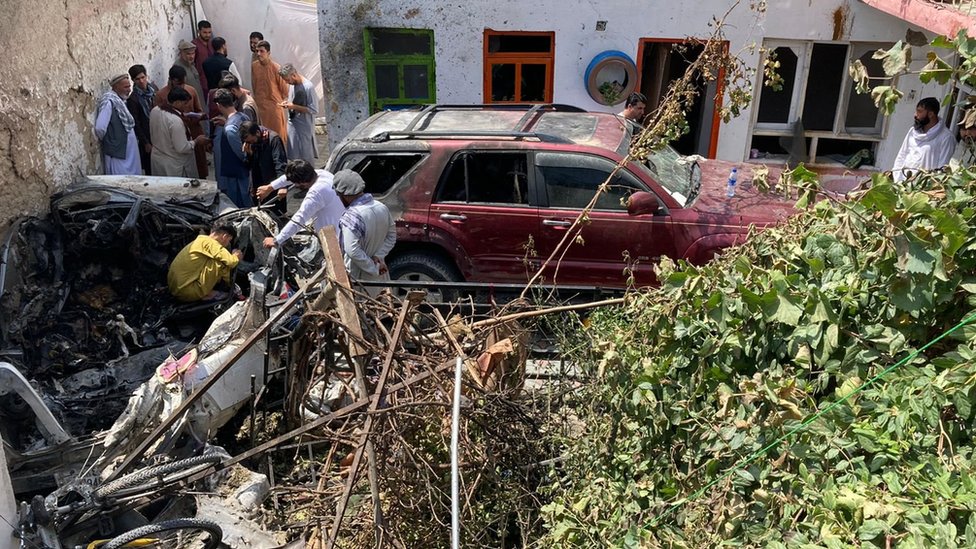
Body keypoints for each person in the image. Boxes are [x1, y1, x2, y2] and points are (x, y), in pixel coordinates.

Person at [257, 160, 345, 249]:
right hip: (340, 229)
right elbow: (287, 178)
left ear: (302, 183)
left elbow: (300, 218)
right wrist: (270, 187)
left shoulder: (317, 192)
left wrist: (277, 240)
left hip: (334, 241)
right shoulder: (322, 174)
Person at [334, 170, 396, 294]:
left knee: (362, 306)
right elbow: (392, 236)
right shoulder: (381, 207)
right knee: (381, 304)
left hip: (359, 278)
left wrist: (373, 268)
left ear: (344, 194)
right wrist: (379, 256)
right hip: (380, 275)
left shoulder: (352, 216)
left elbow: (352, 250)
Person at [156, 65, 208, 178]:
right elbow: (160, 118)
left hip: (193, 130)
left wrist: (197, 116)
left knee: (199, 164)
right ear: (171, 80)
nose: (181, 87)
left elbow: (199, 110)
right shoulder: (161, 95)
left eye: (183, 83)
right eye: (178, 84)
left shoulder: (191, 90)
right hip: (173, 136)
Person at [167, 225, 243, 302]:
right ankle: (220, 291)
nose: (228, 244)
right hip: (187, 292)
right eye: (229, 240)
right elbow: (231, 261)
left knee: (215, 259)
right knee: (220, 263)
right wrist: (236, 255)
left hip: (175, 288)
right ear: (225, 236)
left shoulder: (200, 241)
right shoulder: (211, 243)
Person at [892, 97, 955, 182]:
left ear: (931, 114)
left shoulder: (946, 137)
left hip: (924, 185)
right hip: (902, 182)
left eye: (919, 111)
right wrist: (897, 179)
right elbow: (902, 155)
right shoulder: (912, 131)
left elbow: (943, 168)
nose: (915, 115)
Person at [94, 74, 141, 175]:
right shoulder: (109, 101)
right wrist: (111, 141)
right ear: (116, 87)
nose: (129, 90)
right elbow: (100, 128)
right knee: (119, 179)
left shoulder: (119, 101)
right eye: (126, 87)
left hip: (128, 152)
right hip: (117, 153)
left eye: (129, 86)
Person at [214, 89, 250, 207]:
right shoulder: (243, 117)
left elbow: (241, 153)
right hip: (242, 172)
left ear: (219, 105)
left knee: (239, 205)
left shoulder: (230, 129)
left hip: (236, 174)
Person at [241, 120, 287, 210]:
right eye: (249, 142)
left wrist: (282, 186)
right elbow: (248, 166)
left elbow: (280, 164)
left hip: (273, 184)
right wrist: (249, 155)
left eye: (252, 141)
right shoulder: (249, 143)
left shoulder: (273, 139)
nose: (251, 144)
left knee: (276, 212)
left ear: (257, 133)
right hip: (258, 185)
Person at [250, 40, 289, 145]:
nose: (258, 54)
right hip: (260, 108)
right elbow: (254, 85)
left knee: (277, 138)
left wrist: (276, 102)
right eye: (257, 51)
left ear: (268, 53)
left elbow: (284, 90)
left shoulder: (276, 68)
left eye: (261, 51)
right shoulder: (254, 66)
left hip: (274, 108)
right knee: (263, 138)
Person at [279, 63, 318, 164]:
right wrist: (287, 103)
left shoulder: (308, 87)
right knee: (294, 157)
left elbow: (313, 109)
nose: (287, 82)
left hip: (304, 127)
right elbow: (293, 101)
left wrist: (293, 106)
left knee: (306, 157)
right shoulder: (293, 85)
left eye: (287, 80)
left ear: (294, 75)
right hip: (292, 124)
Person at [125, 64, 157, 175]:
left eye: (143, 77)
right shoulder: (133, 99)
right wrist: (145, 142)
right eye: (137, 79)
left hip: (158, 131)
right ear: (133, 81)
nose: (141, 81)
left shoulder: (153, 90)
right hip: (147, 135)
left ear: (146, 76)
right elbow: (136, 123)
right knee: (150, 167)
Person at [175, 39, 206, 111]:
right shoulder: (178, 68)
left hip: (199, 102)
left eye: (193, 53)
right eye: (188, 54)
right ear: (181, 53)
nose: (191, 56)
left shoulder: (191, 64)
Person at [192, 20, 215, 97]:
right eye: (204, 32)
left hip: (213, 80)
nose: (207, 35)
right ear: (199, 31)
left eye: (209, 32)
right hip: (202, 81)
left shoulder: (212, 43)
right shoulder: (194, 45)